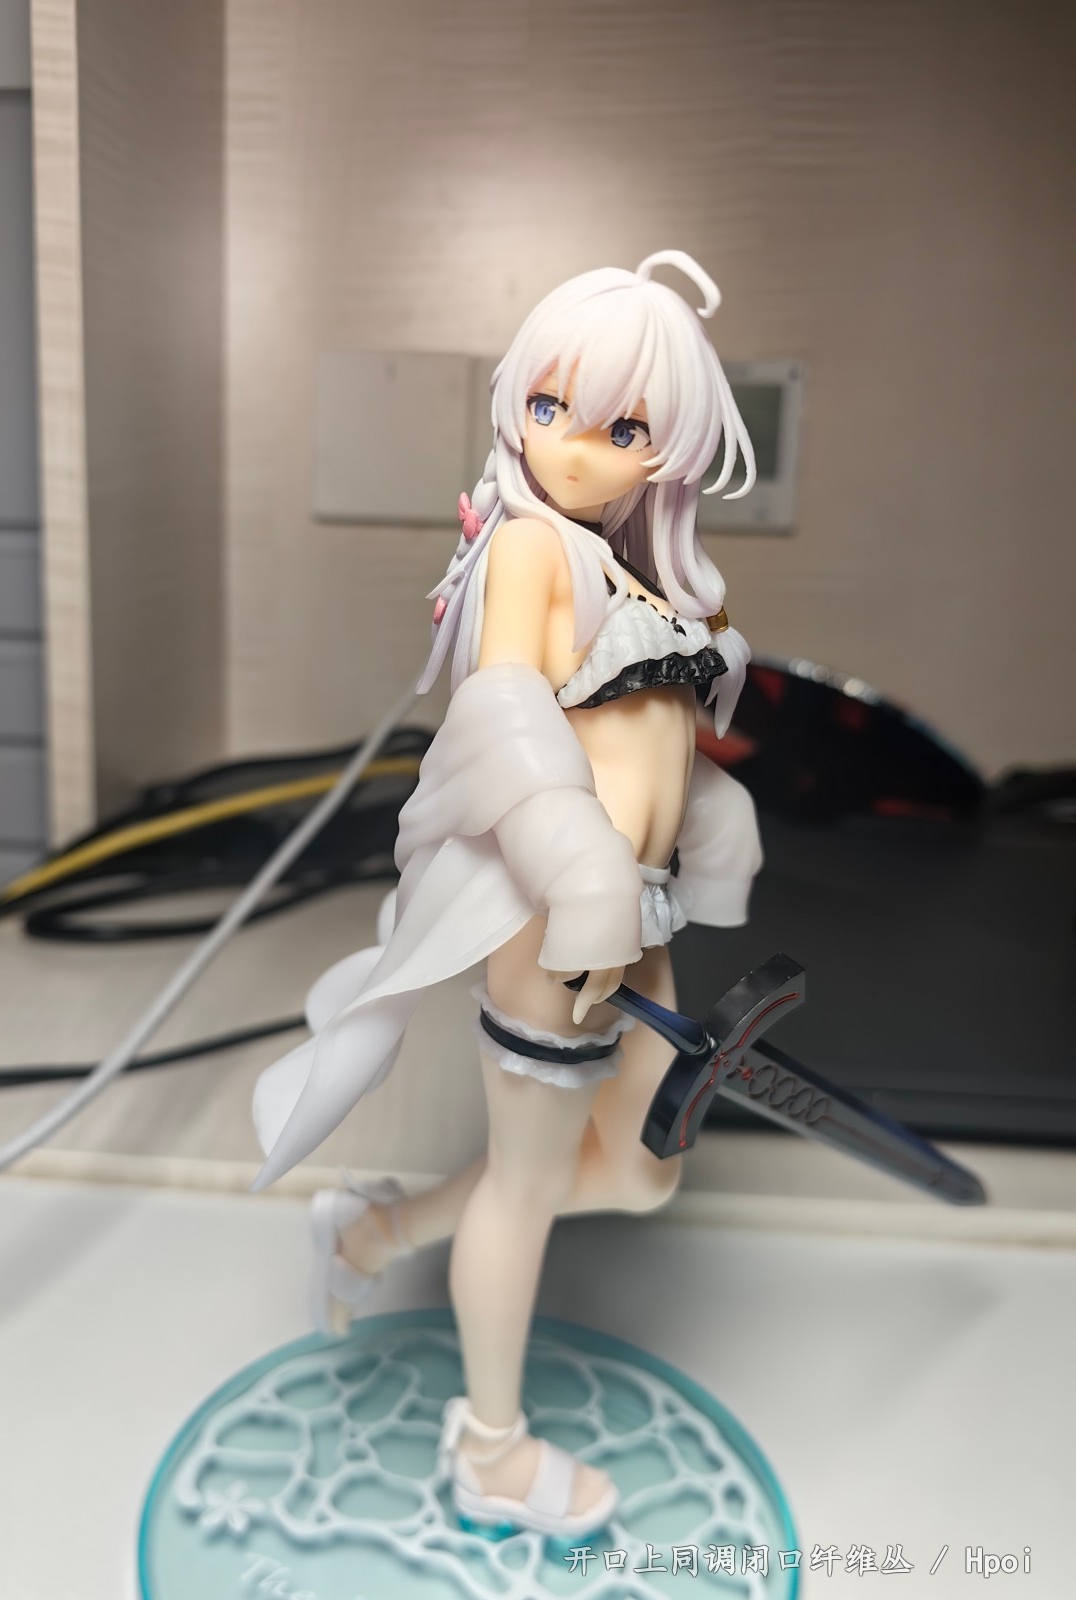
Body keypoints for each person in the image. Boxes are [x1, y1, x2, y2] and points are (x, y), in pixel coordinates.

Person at [252, 251, 763, 1539]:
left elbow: (647, 739)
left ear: (669, 450)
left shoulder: (642, 581)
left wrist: (711, 826)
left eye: (622, 428)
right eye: (549, 408)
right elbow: (506, 714)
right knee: (529, 1189)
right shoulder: (533, 551)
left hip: (634, 913)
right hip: (555, 918)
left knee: (640, 1174)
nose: (574, 448)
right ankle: (489, 1453)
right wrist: (582, 875)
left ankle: (374, 1236)